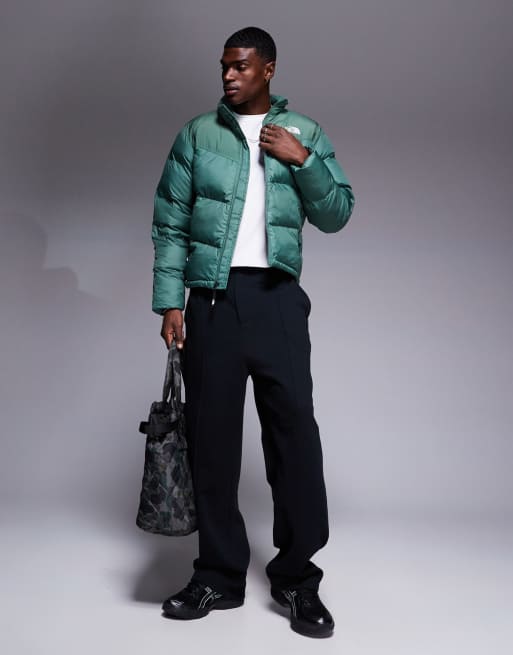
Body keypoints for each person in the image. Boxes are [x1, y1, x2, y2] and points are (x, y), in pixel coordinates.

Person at [150, 26, 355, 638]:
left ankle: (297, 579)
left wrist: (304, 160)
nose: (229, 76)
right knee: (210, 442)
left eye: (241, 66)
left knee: (295, 440)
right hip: (210, 304)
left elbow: (337, 214)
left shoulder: (304, 132)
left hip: (277, 301)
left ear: (269, 69)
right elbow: (170, 221)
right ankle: (217, 575)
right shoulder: (197, 134)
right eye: (224, 66)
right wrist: (170, 302)